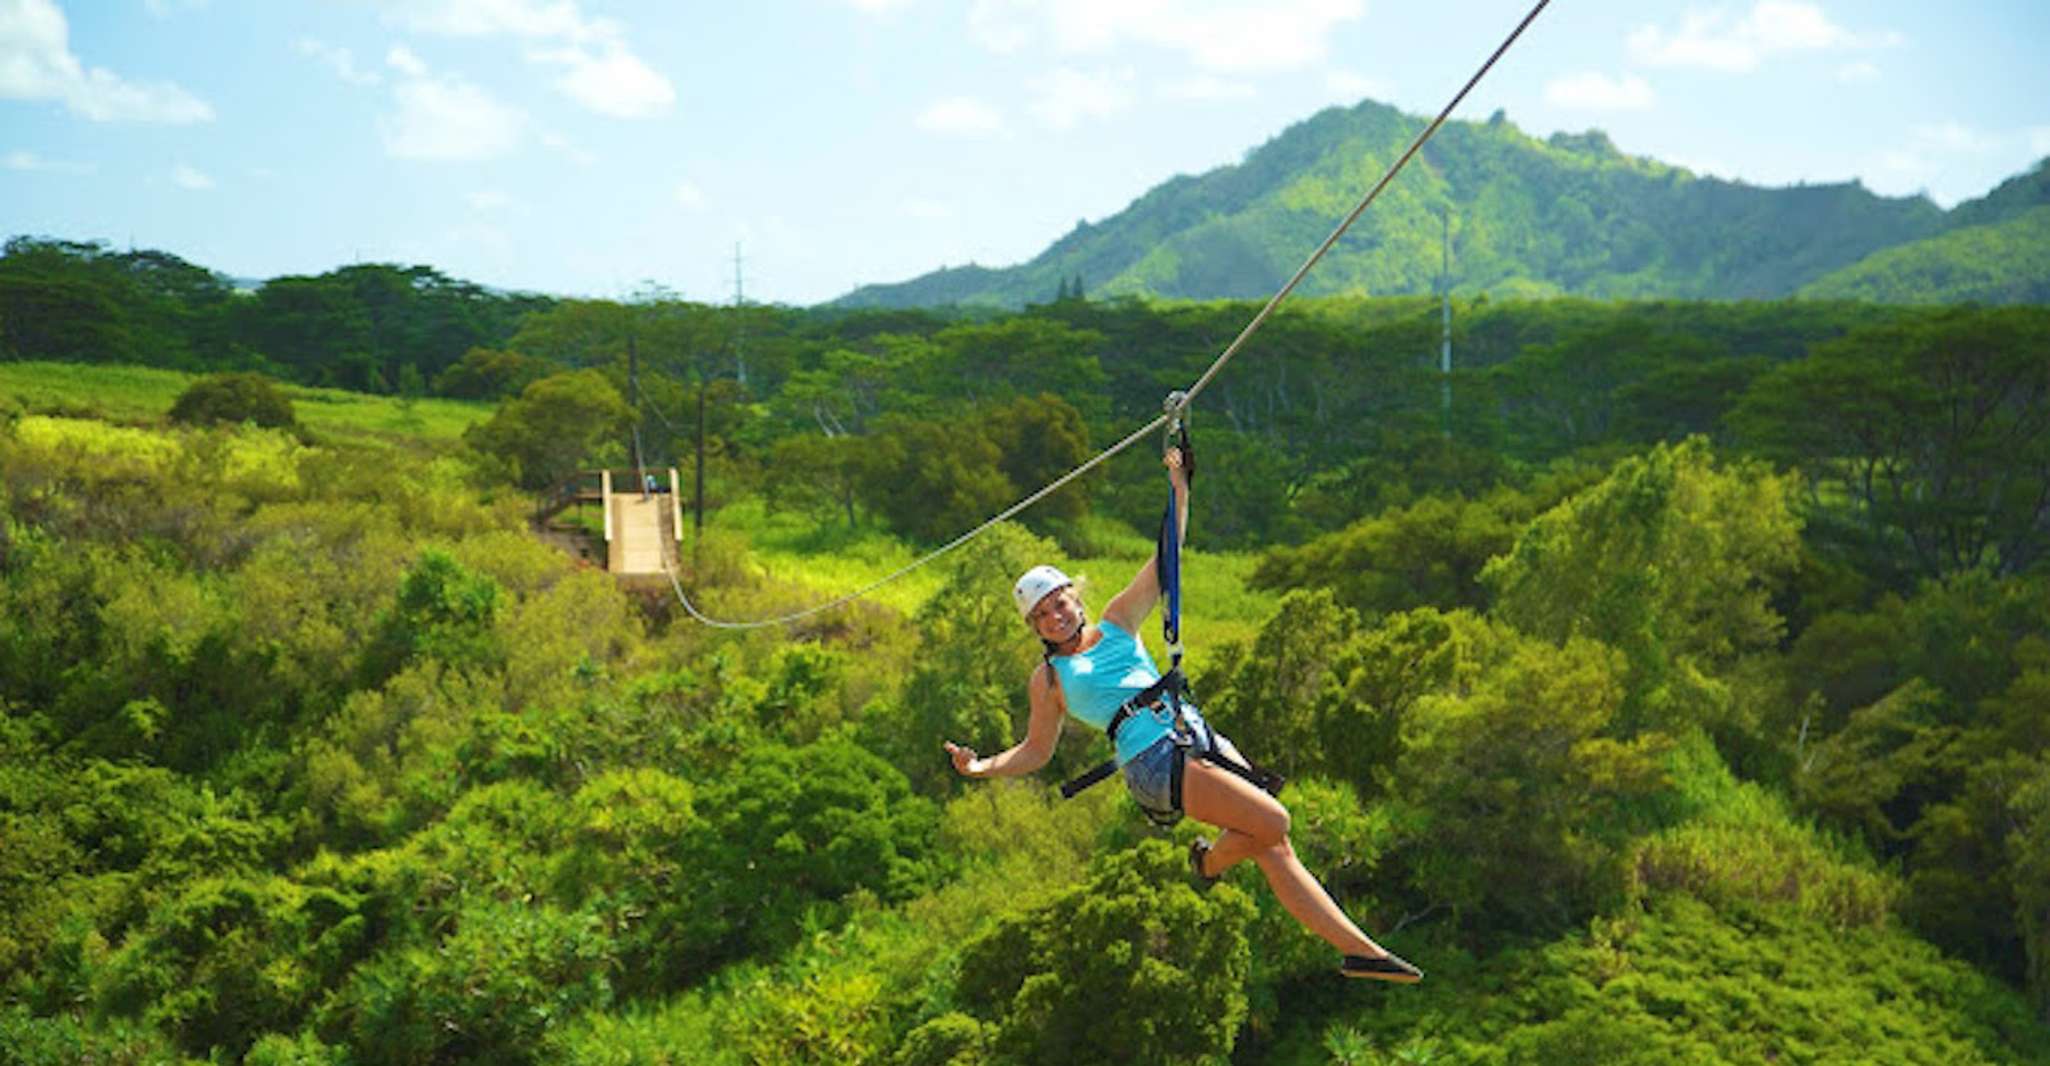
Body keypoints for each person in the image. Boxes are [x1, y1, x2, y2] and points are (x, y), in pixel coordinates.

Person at [943, 448, 1422, 983]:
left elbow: (1166, 557)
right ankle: (1213, 864)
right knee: (1273, 821)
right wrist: (980, 767)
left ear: (1074, 598)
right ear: (1035, 628)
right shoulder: (1050, 680)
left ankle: (1359, 953)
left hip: (1191, 731)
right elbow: (1036, 751)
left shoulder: (1118, 621)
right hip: (1151, 760)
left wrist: (1179, 483)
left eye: (1059, 603)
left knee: (1271, 840)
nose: (1055, 617)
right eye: (1042, 615)